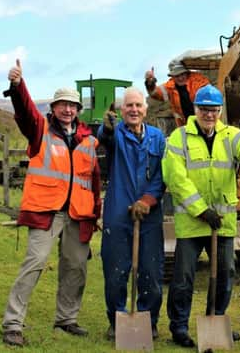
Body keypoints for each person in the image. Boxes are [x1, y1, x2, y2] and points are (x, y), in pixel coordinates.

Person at [161, 84, 240, 348]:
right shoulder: (178, 138)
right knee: (183, 278)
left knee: (225, 273)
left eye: (214, 110)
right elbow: (175, 178)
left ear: (220, 111)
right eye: (205, 110)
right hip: (192, 222)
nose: (209, 115)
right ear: (196, 110)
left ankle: (216, 320)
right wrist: (201, 210)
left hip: (223, 221)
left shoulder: (231, 135)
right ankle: (179, 327)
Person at [1, 59, 101, 347]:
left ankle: (66, 318)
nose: (67, 110)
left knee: (76, 267)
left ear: (78, 111)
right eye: (62, 105)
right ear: (54, 108)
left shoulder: (89, 140)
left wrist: (94, 215)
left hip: (78, 214)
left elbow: (93, 182)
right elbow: (25, 112)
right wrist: (18, 86)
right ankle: (13, 323)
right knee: (34, 264)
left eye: (72, 106)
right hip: (46, 212)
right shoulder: (39, 129)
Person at [98, 87, 166, 341]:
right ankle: (117, 321)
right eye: (129, 106)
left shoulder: (158, 138)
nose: (134, 110)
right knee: (115, 270)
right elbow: (103, 138)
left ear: (146, 110)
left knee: (151, 271)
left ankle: (149, 320)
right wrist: (106, 128)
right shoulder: (115, 134)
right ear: (122, 110)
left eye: (138, 105)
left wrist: (148, 200)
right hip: (118, 211)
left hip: (150, 215)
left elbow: (162, 175)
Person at [144, 59, 211, 126]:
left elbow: (210, 96)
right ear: (172, 76)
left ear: (187, 72)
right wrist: (150, 83)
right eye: (177, 76)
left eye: (182, 74)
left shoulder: (198, 80)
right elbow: (155, 93)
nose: (180, 78)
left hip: (205, 122)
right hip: (185, 126)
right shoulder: (170, 86)